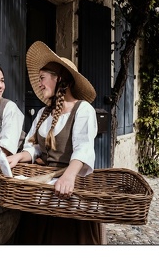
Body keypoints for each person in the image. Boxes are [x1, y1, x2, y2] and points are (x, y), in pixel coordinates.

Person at [7, 41, 106, 245]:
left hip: (68, 187)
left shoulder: (83, 109)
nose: (40, 83)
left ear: (59, 79)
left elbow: (84, 148)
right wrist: (18, 156)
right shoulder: (45, 113)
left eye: (42, 78)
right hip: (44, 186)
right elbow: (34, 148)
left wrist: (68, 177)